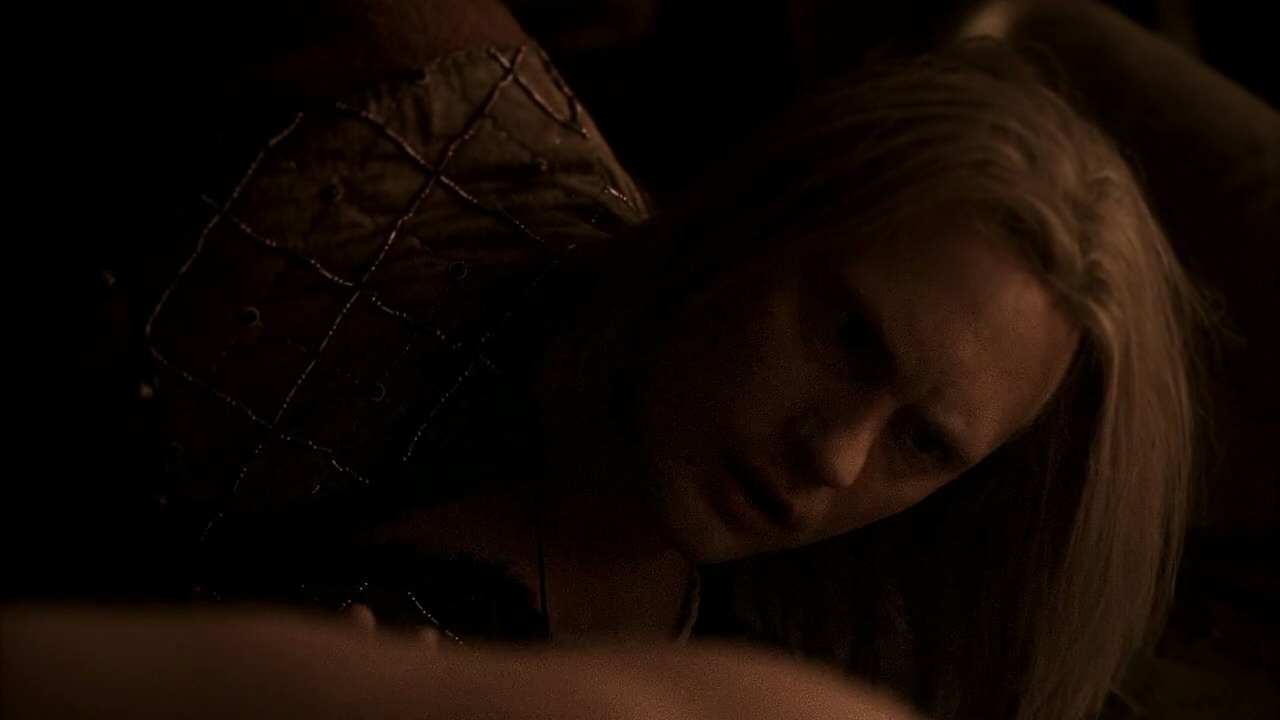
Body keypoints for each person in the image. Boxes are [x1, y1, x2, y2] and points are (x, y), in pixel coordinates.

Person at [9, 2, 1211, 719]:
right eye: (848, 337)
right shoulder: (399, 99)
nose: (834, 455)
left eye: (922, 443)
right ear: (762, 222)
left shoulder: (785, 670)